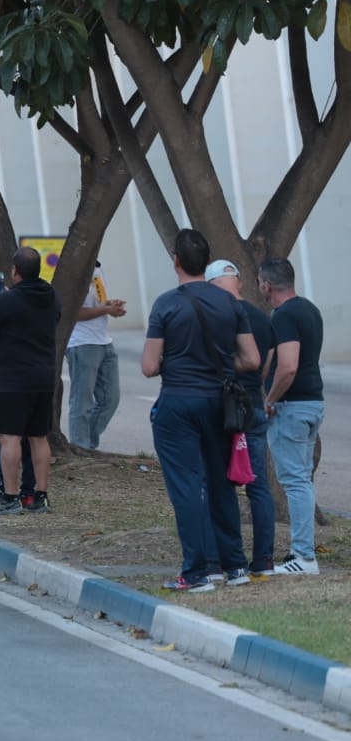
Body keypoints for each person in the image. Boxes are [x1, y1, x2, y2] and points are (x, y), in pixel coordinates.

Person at [142, 229, 261, 592]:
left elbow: (149, 366)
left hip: (178, 403)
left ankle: (197, 571)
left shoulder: (166, 304)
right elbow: (252, 359)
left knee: (187, 487)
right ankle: (235, 567)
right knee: (223, 483)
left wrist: (178, 362)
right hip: (219, 403)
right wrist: (222, 367)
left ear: (176, 261)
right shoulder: (230, 304)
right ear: (206, 263)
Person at [0, 247, 61, 513]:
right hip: (44, 377)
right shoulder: (51, 296)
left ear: (15, 272)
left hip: (13, 379)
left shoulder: (8, 301)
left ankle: (10, 497)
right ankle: (39, 496)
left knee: (9, 438)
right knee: (38, 438)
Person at [208, 260, 275, 580]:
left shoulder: (218, 316)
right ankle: (263, 558)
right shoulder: (263, 319)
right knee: (258, 487)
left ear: (211, 287)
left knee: (221, 485)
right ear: (240, 284)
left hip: (227, 410)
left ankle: (225, 559)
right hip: (255, 408)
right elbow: (264, 366)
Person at [259, 256, 325, 577]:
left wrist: (269, 401)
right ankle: (302, 552)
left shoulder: (283, 315)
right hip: (312, 402)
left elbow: (288, 366)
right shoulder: (309, 309)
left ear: (267, 284)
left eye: (259, 282)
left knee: (295, 481)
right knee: (301, 479)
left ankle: (304, 557)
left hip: (291, 407)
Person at [66, 260, 126, 449]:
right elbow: (74, 312)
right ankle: (80, 446)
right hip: (82, 343)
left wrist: (110, 306)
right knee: (82, 401)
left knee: (110, 399)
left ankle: (87, 445)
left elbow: (96, 303)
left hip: (103, 340)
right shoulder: (75, 270)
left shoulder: (97, 268)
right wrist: (106, 310)